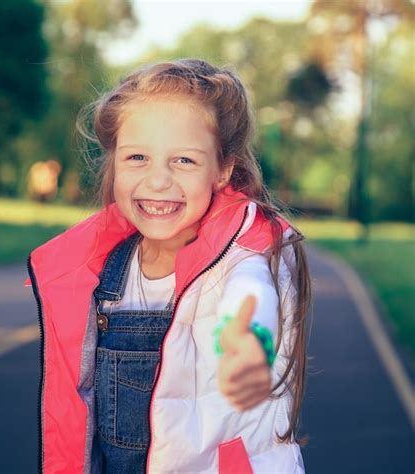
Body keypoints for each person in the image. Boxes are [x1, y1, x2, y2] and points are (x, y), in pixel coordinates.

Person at [25, 58, 311, 473]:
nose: (158, 180)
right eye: (137, 157)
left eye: (184, 161)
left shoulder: (243, 255)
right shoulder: (104, 272)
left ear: (222, 170)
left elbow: (252, 292)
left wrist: (249, 339)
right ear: (113, 162)